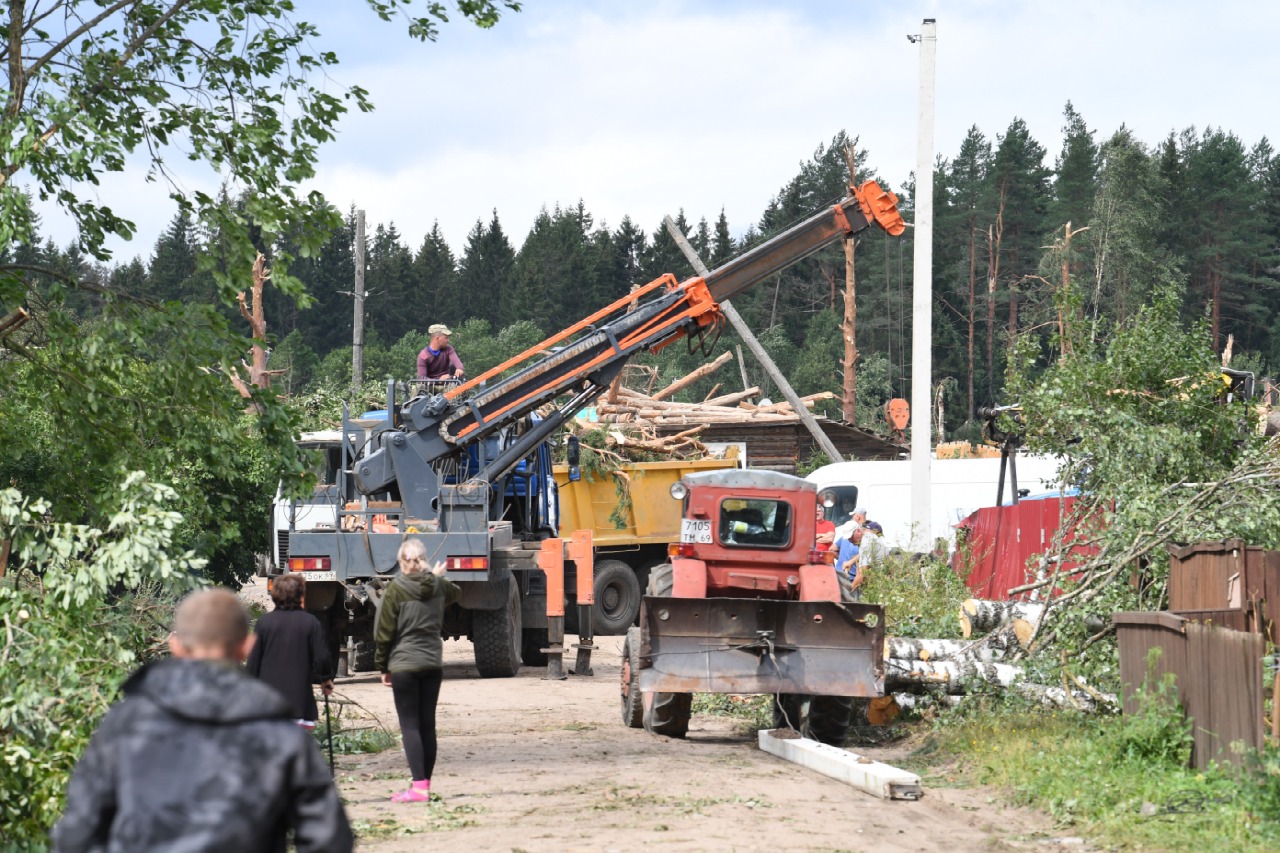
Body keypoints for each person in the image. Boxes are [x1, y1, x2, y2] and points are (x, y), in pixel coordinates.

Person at [53, 588, 353, 853]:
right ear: (246, 646)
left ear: (176, 646)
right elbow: (329, 839)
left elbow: (78, 833)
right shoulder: (280, 734)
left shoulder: (124, 724)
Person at [376, 538, 462, 803]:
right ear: (423, 559)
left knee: (410, 725)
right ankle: (425, 786)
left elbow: (384, 632)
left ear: (402, 562)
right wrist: (433, 577)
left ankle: (418, 788)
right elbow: (455, 592)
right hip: (432, 664)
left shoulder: (396, 589)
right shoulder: (438, 585)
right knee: (428, 725)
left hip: (404, 664)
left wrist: (382, 665)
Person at [246, 572, 335, 727]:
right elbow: (322, 656)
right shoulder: (310, 622)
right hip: (300, 702)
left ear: (275, 595)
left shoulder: (264, 623)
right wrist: (326, 679)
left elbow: (253, 661)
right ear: (301, 596)